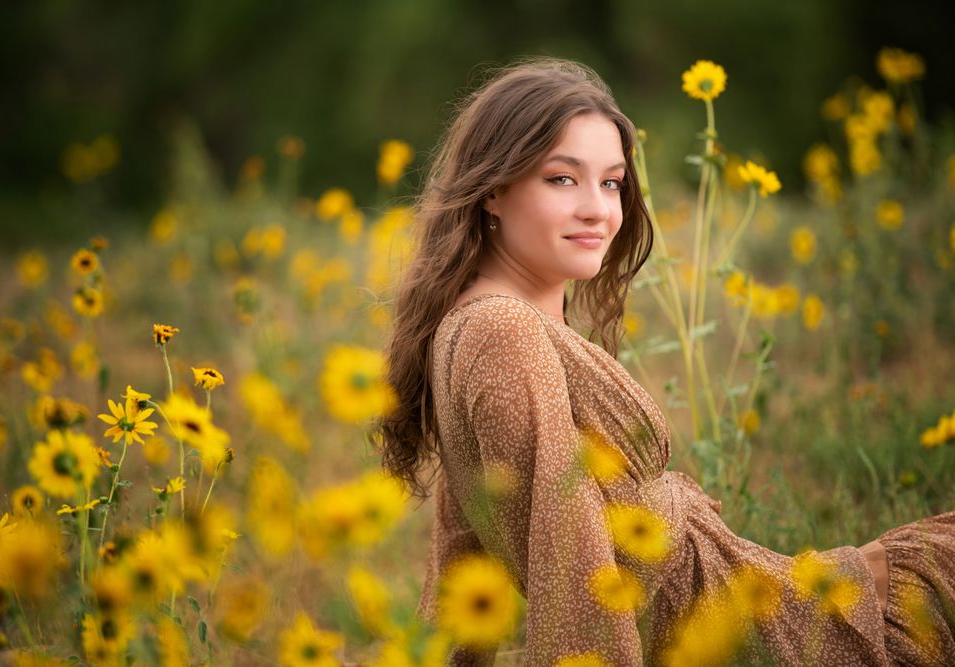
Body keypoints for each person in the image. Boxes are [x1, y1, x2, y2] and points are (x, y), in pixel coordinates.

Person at [376, 57, 955, 666]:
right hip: (734, 639)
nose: (598, 210)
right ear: (494, 186)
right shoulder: (503, 333)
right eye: (562, 179)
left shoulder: (485, 322)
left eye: (611, 182)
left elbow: (467, 552)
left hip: (741, 607)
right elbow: (569, 561)